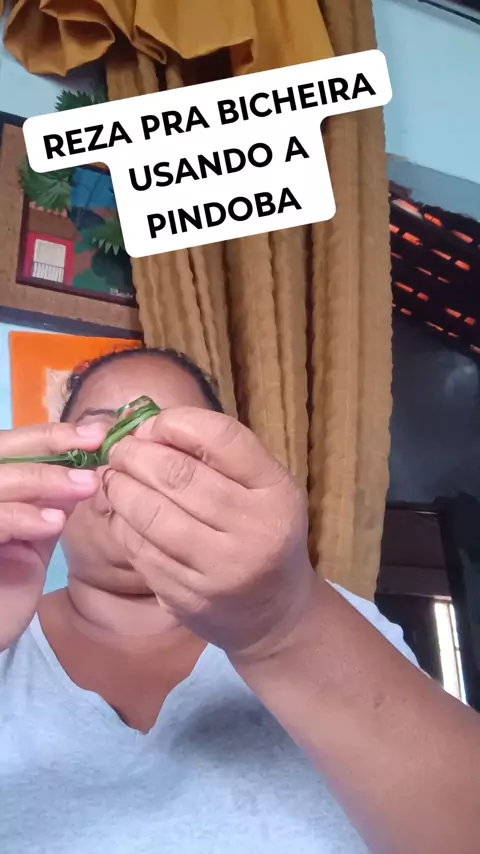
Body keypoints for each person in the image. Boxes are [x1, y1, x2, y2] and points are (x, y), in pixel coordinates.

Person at [0, 347, 478, 854]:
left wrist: (284, 624)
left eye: (170, 446)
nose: (134, 466)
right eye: (101, 439)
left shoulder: (327, 617)